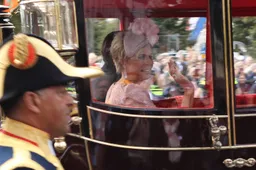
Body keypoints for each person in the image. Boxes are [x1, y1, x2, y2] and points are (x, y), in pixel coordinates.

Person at [0, 33, 103, 170]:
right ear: (32, 101)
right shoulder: (23, 165)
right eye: (61, 92)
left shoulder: (24, 151)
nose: (70, 101)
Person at [104, 18, 194, 169]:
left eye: (150, 57)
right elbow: (170, 136)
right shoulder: (133, 92)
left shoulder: (115, 87)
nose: (149, 62)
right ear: (123, 60)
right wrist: (188, 89)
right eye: (141, 57)